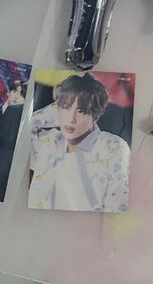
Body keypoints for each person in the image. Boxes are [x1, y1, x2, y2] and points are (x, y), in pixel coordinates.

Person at [28, 72, 130, 212]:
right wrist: (65, 99)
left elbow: (117, 208)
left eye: (81, 111)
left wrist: (70, 102)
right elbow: (26, 127)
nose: (71, 119)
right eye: (65, 107)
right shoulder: (49, 141)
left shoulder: (113, 147)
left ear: (95, 116)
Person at [0, 77, 27, 201]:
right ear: (9, 92)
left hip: (4, 170)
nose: (17, 97)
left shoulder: (22, 120)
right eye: (15, 92)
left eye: (22, 95)